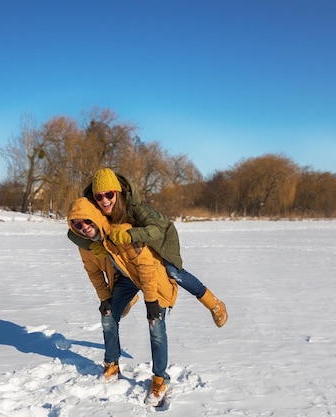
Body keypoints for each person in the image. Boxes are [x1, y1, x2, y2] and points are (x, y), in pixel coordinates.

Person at [67, 167, 228, 327]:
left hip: (161, 240)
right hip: (136, 247)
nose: (104, 200)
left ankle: (214, 304)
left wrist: (130, 235)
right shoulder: (95, 209)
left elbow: (157, 231)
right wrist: (90, 244)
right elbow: (72, 232)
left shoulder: (135, 207)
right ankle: (127, 298)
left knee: (173, 272)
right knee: (117, 262)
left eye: (109, 194)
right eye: (99, 196)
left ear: (117, 192)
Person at [68, 197, 178, 407]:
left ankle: (160, 380)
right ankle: (111, 365)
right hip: (125, 280)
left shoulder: (119, 231)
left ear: (95, 218)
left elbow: (146, 265)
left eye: (87, 221)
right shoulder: (85, 246)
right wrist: (105, 299)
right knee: (108, 317)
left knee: (156, 325)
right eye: (77, 224)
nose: (83, 228)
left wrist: (152, 302)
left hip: (151, 277)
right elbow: (94, 273)